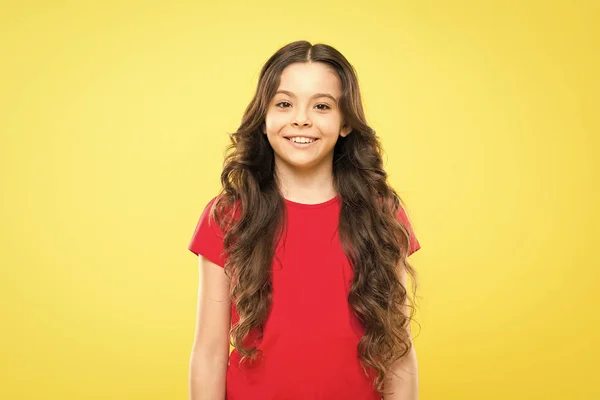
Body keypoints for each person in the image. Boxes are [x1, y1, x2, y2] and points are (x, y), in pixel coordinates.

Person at [188, 40, 421, 400]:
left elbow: (398, 352)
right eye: (284, 103)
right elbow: (208, 353)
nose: (301, 118)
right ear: (263, 119)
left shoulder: (382, 214)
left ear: (345, 123)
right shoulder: (228, 215)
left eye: (322, 106)